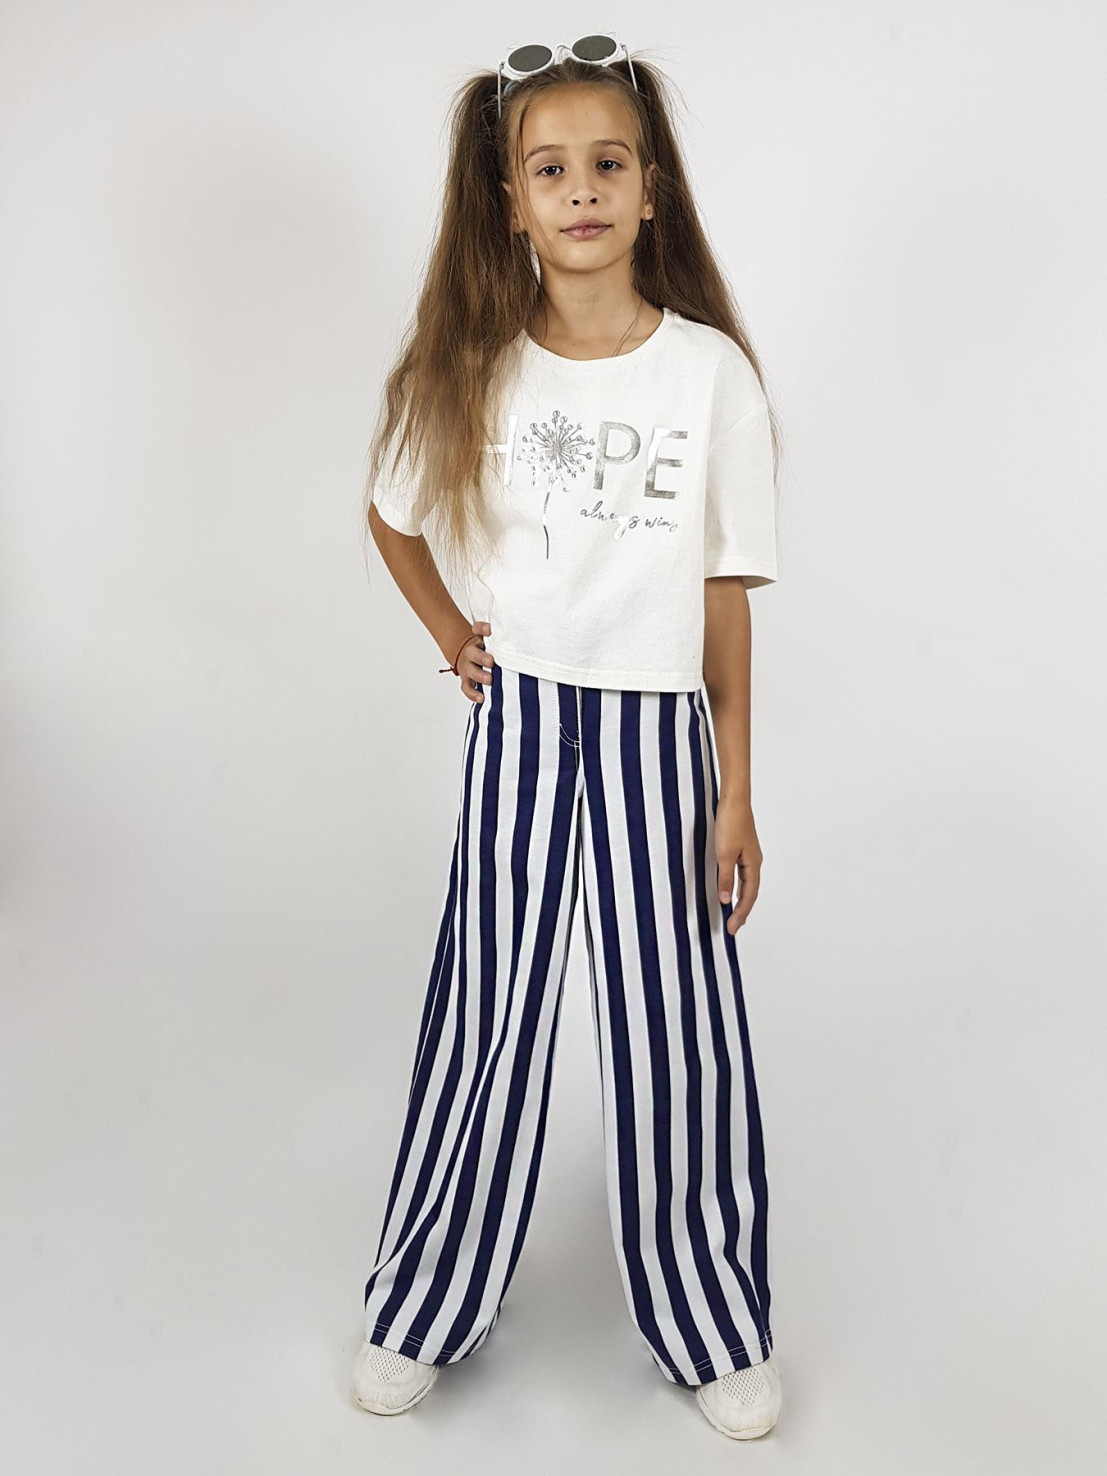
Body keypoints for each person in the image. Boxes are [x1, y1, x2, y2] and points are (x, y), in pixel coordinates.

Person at [350, 34, 784, 1440]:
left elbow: (722, 596)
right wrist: (454, 637)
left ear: (652, 189)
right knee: (491, 1008)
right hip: (526, 717)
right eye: (551, 170)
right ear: (512, 203)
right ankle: (425, 1299)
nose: (582, 190)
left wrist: (736, 792)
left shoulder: (710, 377)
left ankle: (711, 1317)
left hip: (662, 729)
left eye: (608, 163)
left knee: (677, 1023)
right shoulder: (476, 370)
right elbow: (392, 515)